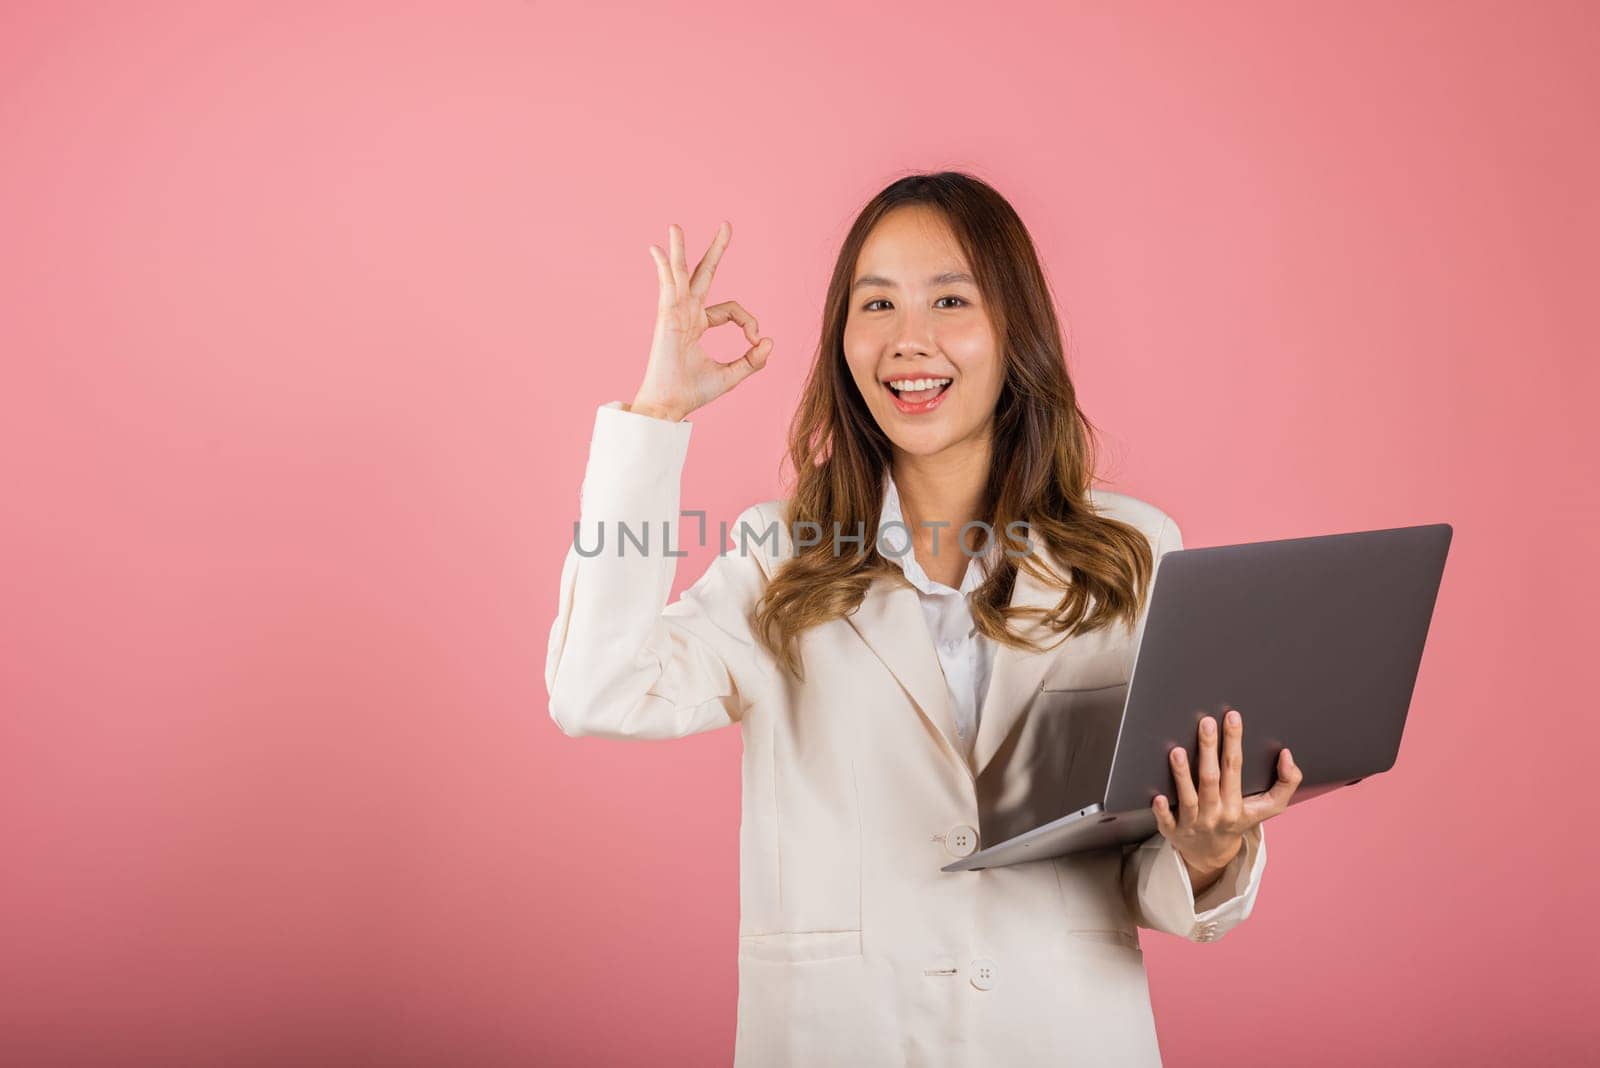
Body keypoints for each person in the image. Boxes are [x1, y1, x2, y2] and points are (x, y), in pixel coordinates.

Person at [545, 171, 1303, 1066]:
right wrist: (657, 414)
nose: (910, 341)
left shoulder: (1130, 552)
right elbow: (598, 691)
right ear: (842, 339)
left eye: (950, 299)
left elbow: (1145, 873)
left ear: (1014, 328)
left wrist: (1211, 849)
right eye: (877, 305)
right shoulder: (779, 553)